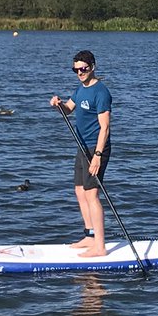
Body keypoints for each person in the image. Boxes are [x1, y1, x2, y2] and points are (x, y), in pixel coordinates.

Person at [50, 50, 112, 256]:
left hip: (96, 148)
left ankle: (100, 247)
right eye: (76, 70)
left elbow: (105, 128)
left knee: (92, 194)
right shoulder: (80, 89)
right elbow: (69, 108)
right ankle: (89, 235)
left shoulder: (101, 92)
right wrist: (58, 105)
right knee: (79, 190)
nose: (80, 73)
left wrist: (98, 156)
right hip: (82, 146)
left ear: (92, 67)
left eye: (83, 69)